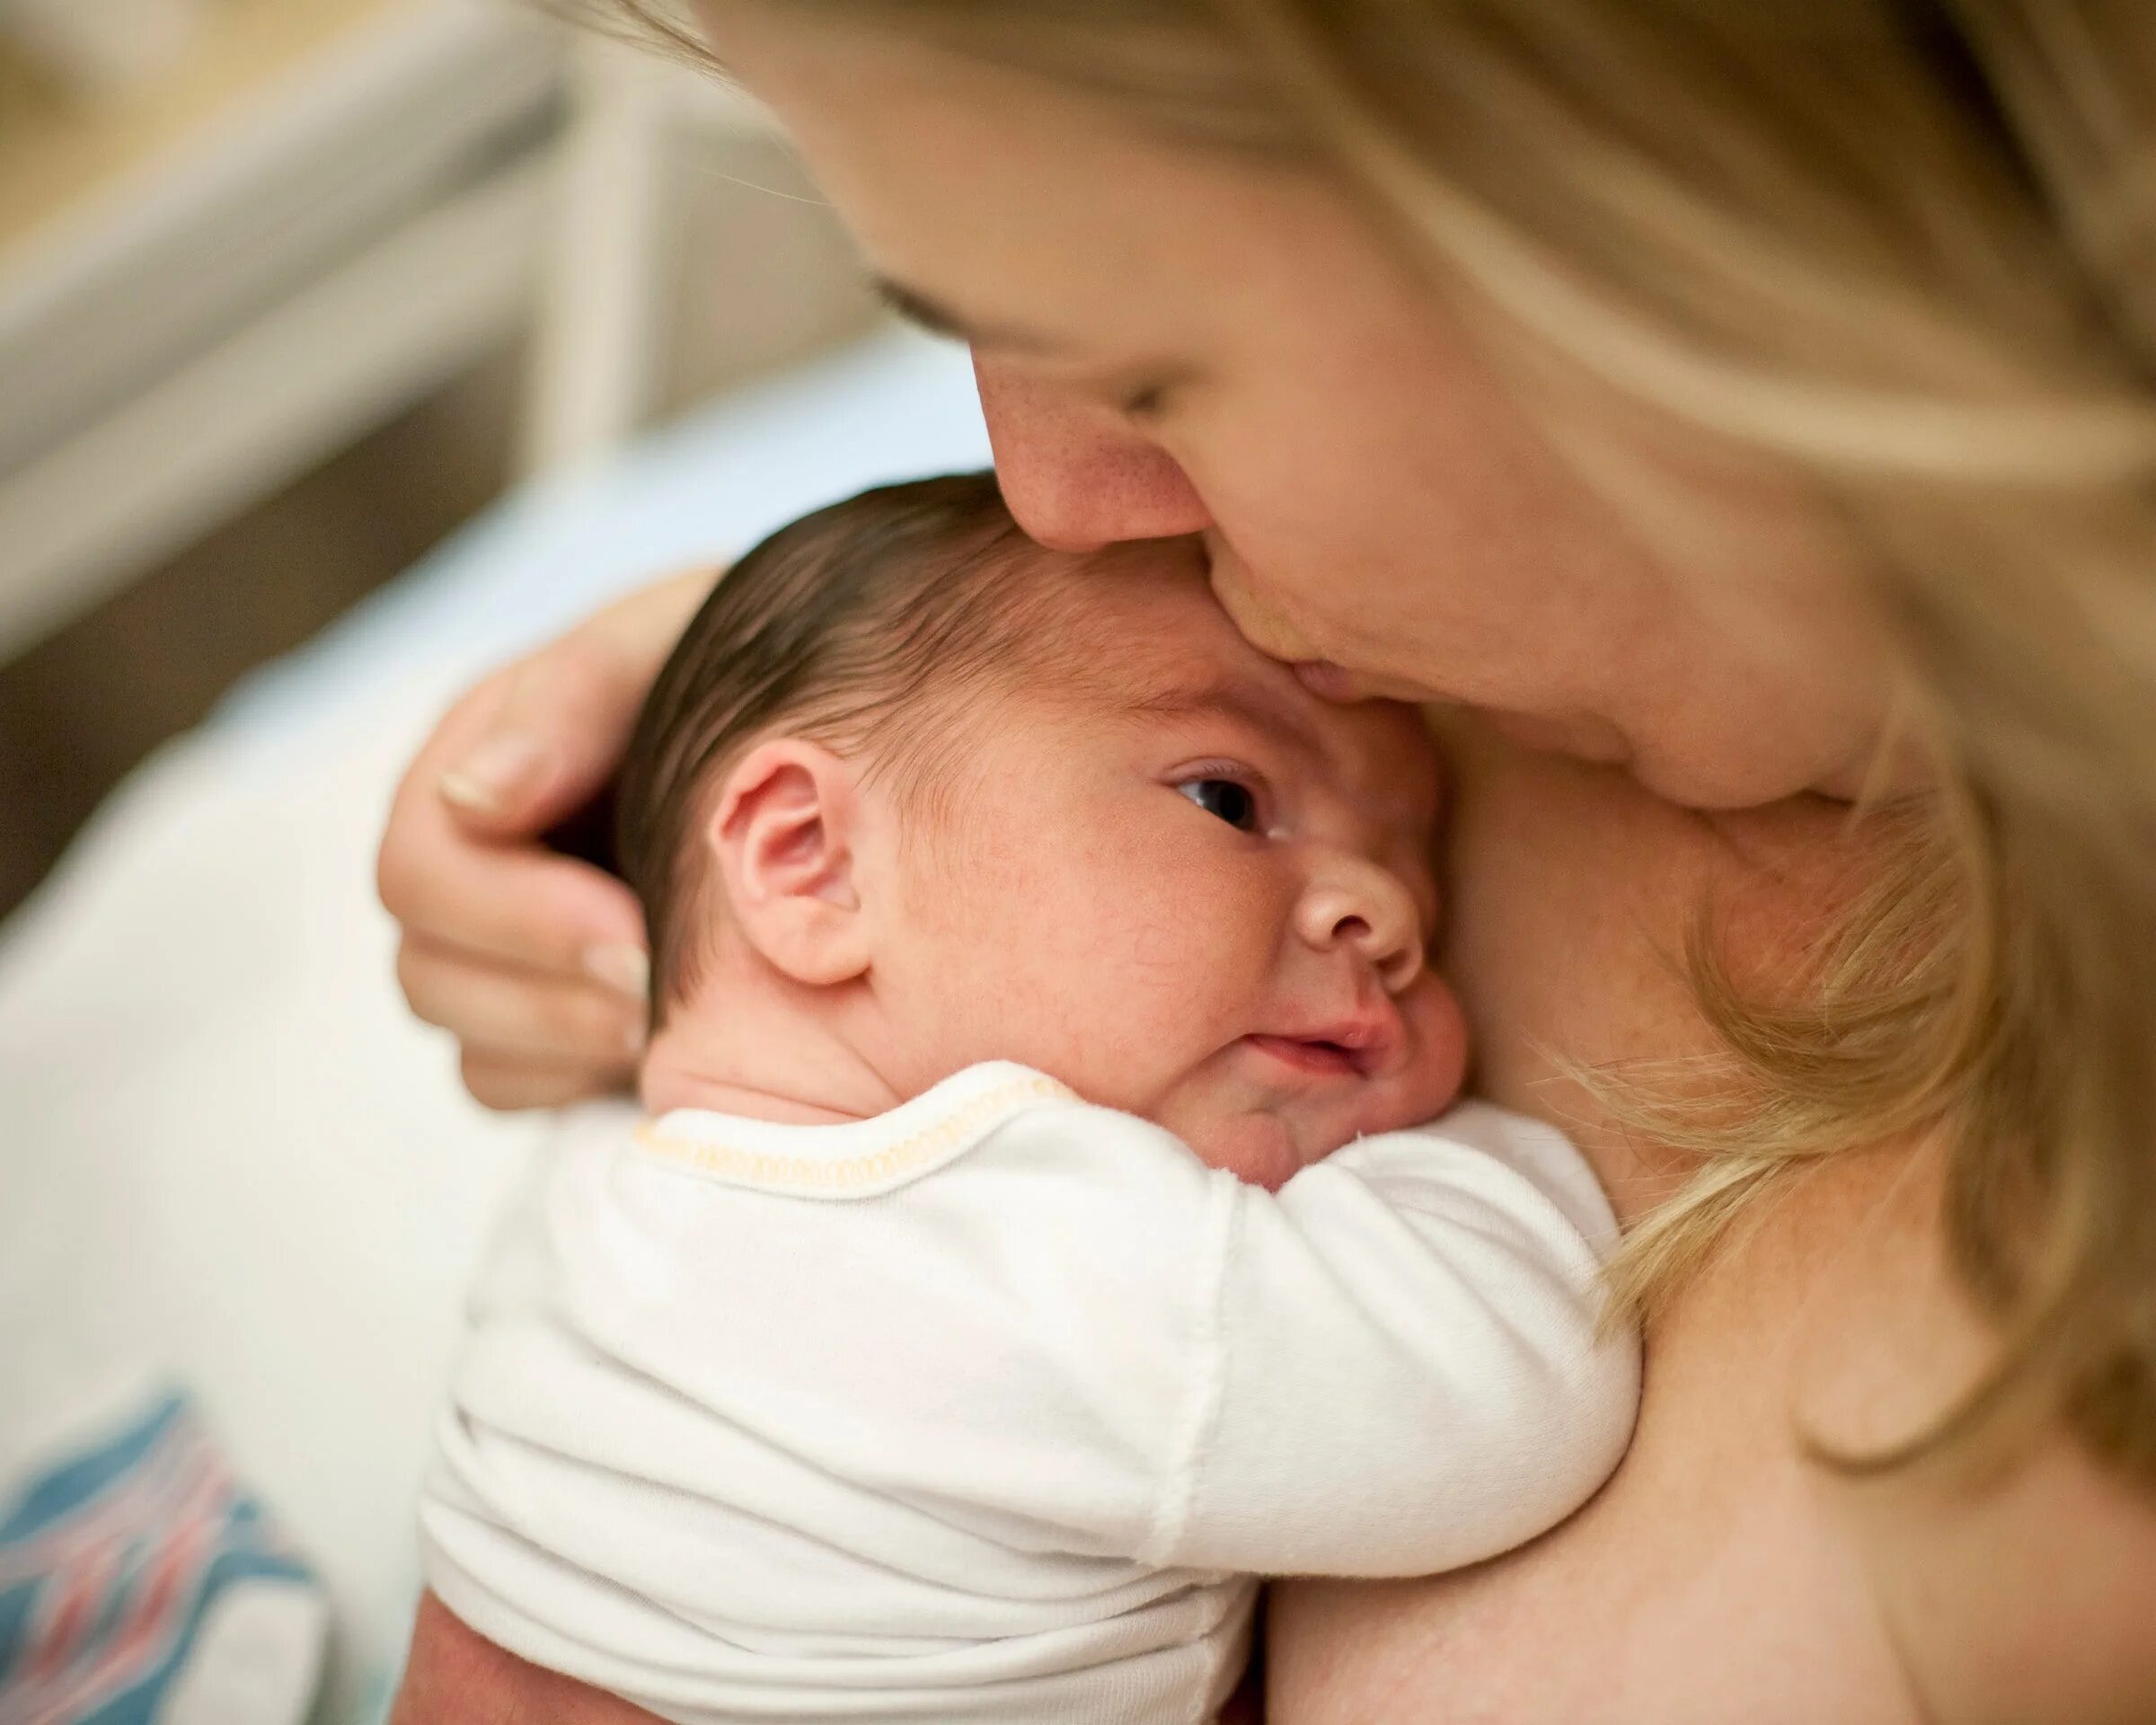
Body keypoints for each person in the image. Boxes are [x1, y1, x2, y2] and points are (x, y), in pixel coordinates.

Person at [376, 1, 2156, 1718]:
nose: (1052, 499)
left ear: (1711, 217)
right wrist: (728, 644)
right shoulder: (1423, 656)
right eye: (955, 327)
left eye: (1144, 360)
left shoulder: (2062, 1497)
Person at [415, 473, 1638, 1723]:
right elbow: (1516, 1395)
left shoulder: (595, 1163)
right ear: (808, 860)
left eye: (1414, 876)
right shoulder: (1078, 1265)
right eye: (1230, 799)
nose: (1387, 918)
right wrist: (1461, 1144)